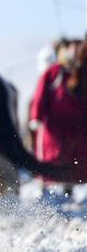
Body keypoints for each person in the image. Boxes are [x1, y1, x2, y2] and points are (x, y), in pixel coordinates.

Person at [29, 39, 87, 187]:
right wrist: (36, 116)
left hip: (77, 129)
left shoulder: (80, 74)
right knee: (54, 160)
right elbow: (40, 95)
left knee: (75, 161)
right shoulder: (53, 73)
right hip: (54, 129)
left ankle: (72, 187)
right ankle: (49, 186)